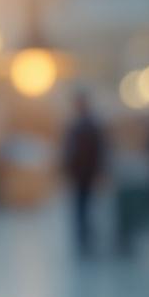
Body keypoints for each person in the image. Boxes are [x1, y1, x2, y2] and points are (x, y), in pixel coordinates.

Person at [62, 92, 105, 254]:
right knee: (80, 207)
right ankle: (83, 237)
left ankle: (87, 236)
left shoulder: (90, 126)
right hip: (79, 173)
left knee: (88, 206)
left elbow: (99, 150)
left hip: (88, 173)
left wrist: (99, 171)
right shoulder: (75, 126)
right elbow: (68, 151)